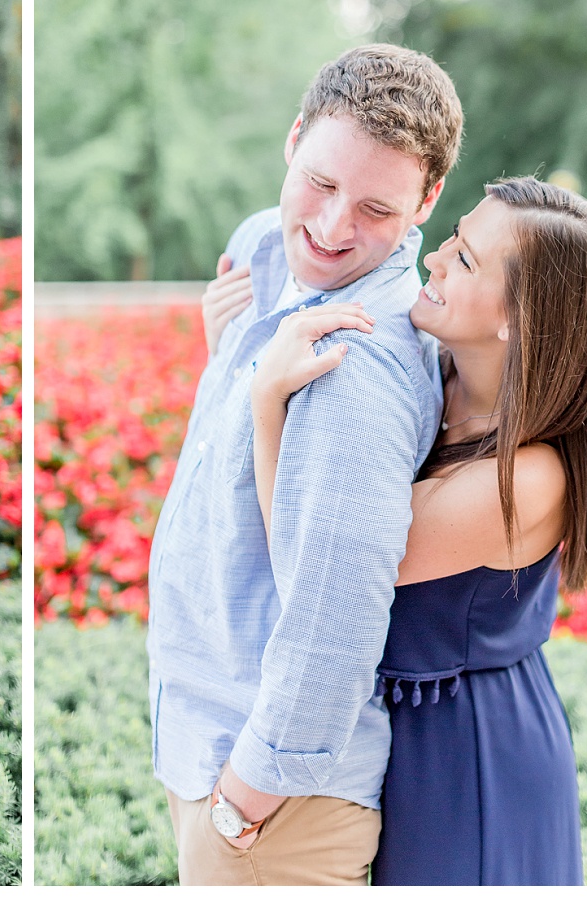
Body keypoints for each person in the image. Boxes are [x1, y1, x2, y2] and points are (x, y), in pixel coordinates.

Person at [248, 177, 587, 884]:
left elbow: (319, 558)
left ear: (520, 318)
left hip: (469, 755)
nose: (432, 260)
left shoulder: (527, 479)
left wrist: (266, 403)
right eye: (454, 239)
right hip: (401, 731)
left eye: (463, 259)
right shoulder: (436, 377)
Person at [146, 44, 463, 885]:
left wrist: (242, 799)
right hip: (212, 752)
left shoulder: (349, 362)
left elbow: (339, 609)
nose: (331, 230)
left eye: (375, 209)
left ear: (429, 199)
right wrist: (232, 362)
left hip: (274, 808)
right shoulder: (264, 255)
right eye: (320, 184)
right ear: (293, 140)